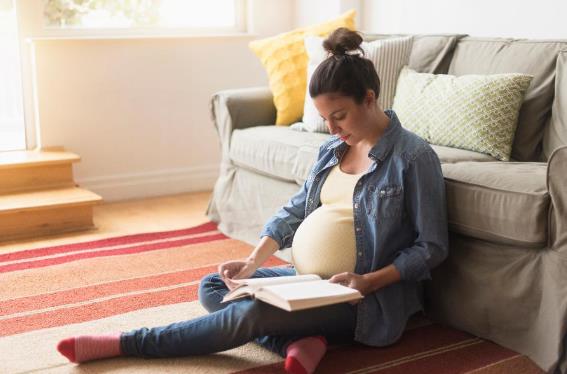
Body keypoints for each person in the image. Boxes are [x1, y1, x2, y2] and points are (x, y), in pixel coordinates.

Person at [56, 27, 448, 374]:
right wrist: (252, 261)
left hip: (360, 299)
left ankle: (130, 343)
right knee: (217, 285)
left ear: (369, 98)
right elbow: (297, 209)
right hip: (306, 281)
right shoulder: (333, 149)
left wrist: (367, 281)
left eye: (339, 116)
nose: (331, 128)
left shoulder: (412, 158)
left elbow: (430, 247)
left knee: (253, 313)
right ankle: (295, 341)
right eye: (325, 118)